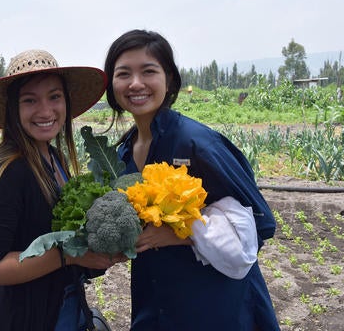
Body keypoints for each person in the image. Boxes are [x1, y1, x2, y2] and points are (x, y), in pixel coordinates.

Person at [103, 29, 280, 330]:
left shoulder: (197, 144)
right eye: (123, 74)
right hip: (155, 299)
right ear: (112, 83)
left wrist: (184, 234)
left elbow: (261, 224)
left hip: (215, 305)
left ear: (169, 79)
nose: (135, 83)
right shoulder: (121, 155)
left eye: (148, 71)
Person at [0, 49, 119, 331]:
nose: (46, 111)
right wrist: (70, 255)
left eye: (54, 97)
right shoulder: (8, 172)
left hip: (61, 307)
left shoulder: (53, 158)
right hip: (23, 319)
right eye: (30, 100)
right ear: (14, 109)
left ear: (66, 101)